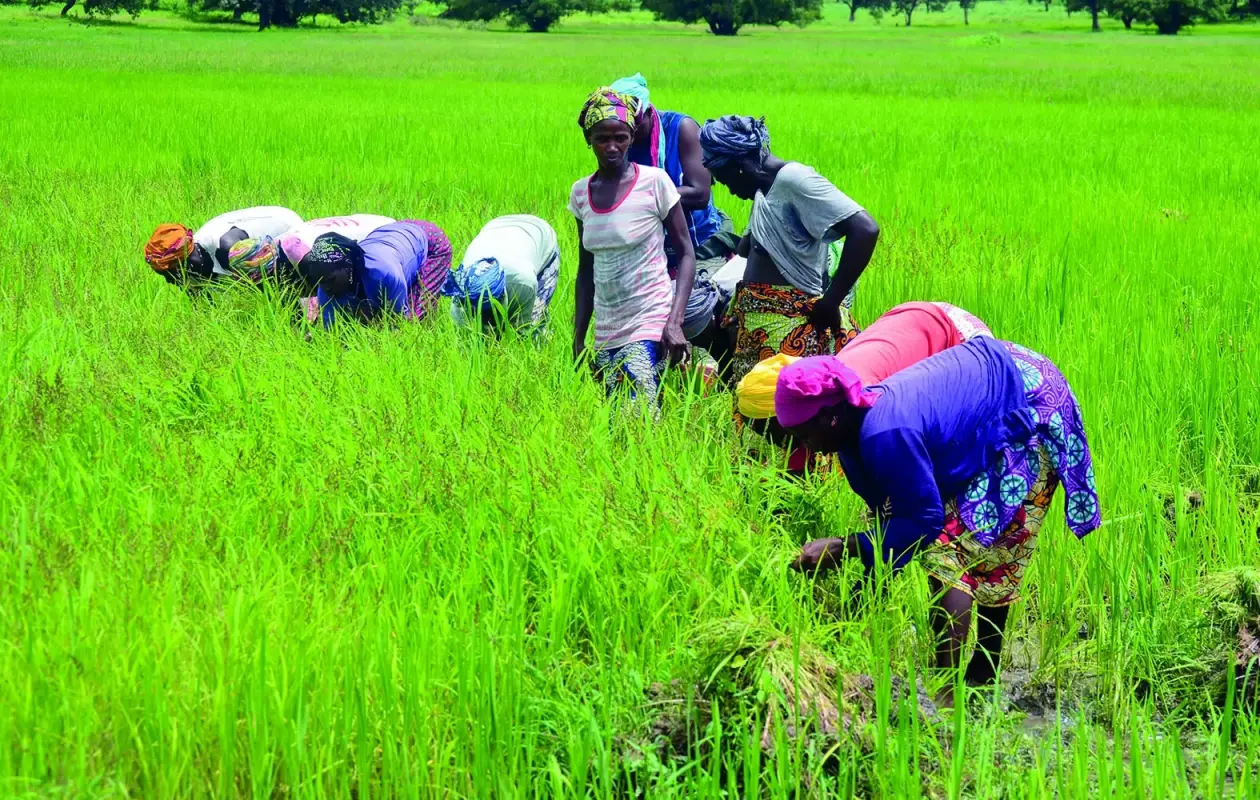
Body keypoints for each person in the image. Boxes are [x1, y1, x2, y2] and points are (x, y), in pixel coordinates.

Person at [763, 338, 1100, 704]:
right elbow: (889, 524)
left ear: (831, 416)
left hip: (1027, 401)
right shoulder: (851, 435)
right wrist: (856, 612)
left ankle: (946, 696)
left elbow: (922, 522)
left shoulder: (884, 431)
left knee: (951, 553)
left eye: (804, 435)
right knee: (967, 546)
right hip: (1002, 377)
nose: (805, 447)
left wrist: (843, 548)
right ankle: (981, 679)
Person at [699, 115, 880, 382]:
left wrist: (831, 301)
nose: (731, 191)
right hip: (764, 326)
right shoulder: (765, 188)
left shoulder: (794, 180)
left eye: (726, 180)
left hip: (791, 323)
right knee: (759, 412)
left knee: (787, 411)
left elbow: (865, 230)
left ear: (739, 165)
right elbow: (748, 249)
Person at [569, 87, 697, 415]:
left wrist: (674, 322)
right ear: (588, 139)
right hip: (608, 324)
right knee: (619, 416)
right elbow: (586, 272)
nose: (612, 147)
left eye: (621, 138)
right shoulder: (581, 193)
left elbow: (685, 253)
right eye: (602, 138)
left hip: (650, 315)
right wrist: (578, 337)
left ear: (631, 138)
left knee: (636, 413)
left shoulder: (654, 183)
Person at [610, 74, 741, 375]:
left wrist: (644, 195)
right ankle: (682, 381)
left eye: (632, 125)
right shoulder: (618, 140)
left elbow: (699, 191)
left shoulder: (680, 128)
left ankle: (726, 371)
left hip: (700, 240)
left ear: (646, 112)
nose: (624, 134)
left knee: (702, 314)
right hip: (654, 246)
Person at [735, 301, 992, 439]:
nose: (768, 442)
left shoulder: (860, 398)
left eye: (763, 431)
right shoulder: (827, 394)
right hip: (910, 321)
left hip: (954, 334)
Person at [301, 220, 452, 327]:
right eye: (320, 282)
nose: (326, 287)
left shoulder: (384, 274)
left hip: (430, 241)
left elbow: (398, 324)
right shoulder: (326, 285)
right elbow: (332, 334)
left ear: (347, 267)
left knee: (415, 318)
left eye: (330, 280)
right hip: (392, 234)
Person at [443, 214, 560, 337]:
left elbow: (522, 331)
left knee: (534, 328)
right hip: (496, 227)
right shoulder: (462, 290)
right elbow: (462, 335)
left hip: (540, 235)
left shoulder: (523, 282)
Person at [144, 205, 303, 289]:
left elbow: (270, 289)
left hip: (287, 230)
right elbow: (202, 306)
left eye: (170, 274)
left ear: (185, 264)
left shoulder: (228, 250)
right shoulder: (196, 261)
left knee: (274, 280)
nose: (169, 282)